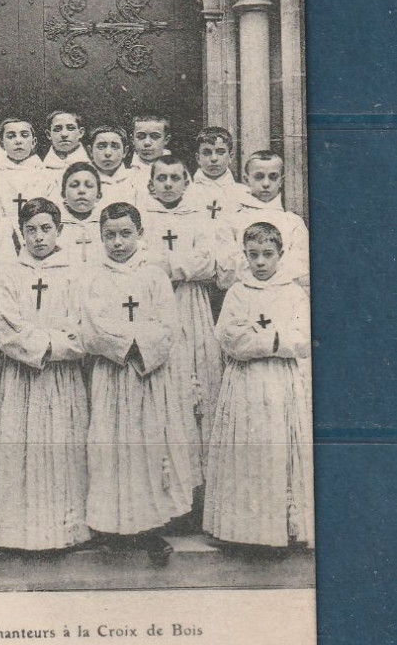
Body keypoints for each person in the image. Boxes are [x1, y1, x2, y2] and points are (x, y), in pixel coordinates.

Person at [80, 202, 193, 565]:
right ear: (100, 237)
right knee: (110, 448)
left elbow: (168, 325)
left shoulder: (154, 276)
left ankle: (149, 529)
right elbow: (91, 325)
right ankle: (111, 529)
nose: (117, 242)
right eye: (109, 235)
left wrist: (137, 346)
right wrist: (123, 345)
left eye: (126, 234)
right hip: (111, 376)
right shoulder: (93, 277)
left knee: (147, 448)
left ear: (141, 235)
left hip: (146, 378)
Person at [204, 221, 313, 551]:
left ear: (281, 254)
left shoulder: (294, 292)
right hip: (245, 386)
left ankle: (282, 527)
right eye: (253, 255)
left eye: (268, 254)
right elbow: (228, 336)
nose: (260, 262)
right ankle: (244, 530)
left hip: (280, 383)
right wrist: (267, 340)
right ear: (245, 256)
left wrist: (267, 340)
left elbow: (303, 337)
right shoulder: (238, 291)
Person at [0, 198, 90, 552]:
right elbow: (7, 326)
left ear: (59, 231)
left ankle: (68, 531)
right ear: (21, 233)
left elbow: (83, 325)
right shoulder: (8, 273)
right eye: (30, 230)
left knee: (63, 446)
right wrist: (46, 347)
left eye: (46, 229)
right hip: (23, 378)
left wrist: (54, 348)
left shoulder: (76, 272)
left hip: (63, 380)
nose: (38, 237)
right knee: (23, 447)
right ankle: (19, 534)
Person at [141, 156, 221, 500]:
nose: (169, 184)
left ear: (187, 183)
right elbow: (138, 258)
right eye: (162, 178)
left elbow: (210, 261)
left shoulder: (199, 218)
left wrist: (169, 267)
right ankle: (166, 490)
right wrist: (174, 267)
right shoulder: (142, 218)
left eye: (176, 178)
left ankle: (199, 489)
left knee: (197, 387)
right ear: (151, 184)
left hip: (191, 305)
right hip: (154, 307)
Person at [216, 151, 310, 290]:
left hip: (282, 299)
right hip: (244, 299)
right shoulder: (230, 222)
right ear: (247, 179)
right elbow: (227, 273)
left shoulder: (293, 223)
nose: (266, 184)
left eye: (273, 177)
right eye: (259, 177)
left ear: (281, 181)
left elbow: (300, 270)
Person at [0, 117, 52, 226]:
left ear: (33, 142)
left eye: (24, 135)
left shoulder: (46, 176)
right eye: (11, 136)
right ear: (1, 144)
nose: (18, 141)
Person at [189, 126, 247, 220]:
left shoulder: (242, 193)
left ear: (230, 157)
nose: (214, 158)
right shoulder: (188, 193)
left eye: (220, 152)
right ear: (198, 158)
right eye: (207, 153)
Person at [58, 161, 104, 268]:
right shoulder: (55, 225)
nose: (82, 191)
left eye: (89, 186)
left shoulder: (105, 223)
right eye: (74, 185)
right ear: (63, 193)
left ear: (98, 195)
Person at [123, 111, 172, 207]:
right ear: (132, 139)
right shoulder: (124, 172)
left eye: (154, 136)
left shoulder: (179, 172)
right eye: (141, 136)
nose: (147, 142)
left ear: (166, 139)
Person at [88, 124, 134, 209]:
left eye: (115, 146)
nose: (108, 153)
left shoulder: (135, 179)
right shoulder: (80, 179)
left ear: (125, 151)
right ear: (90, 151)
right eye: (101, 146)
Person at [42, 109, 86, 194]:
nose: (64, 134)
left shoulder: (93, 167)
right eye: (57, 129)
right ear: (48, 134)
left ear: (81, 132)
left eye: (70, 128)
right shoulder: (39, 169)